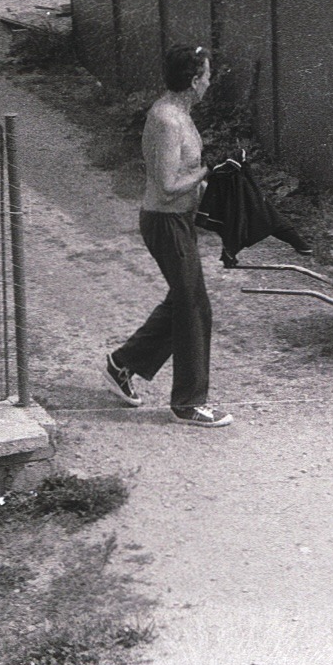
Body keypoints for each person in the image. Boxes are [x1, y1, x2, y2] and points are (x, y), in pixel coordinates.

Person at [103, 44, 233, 427]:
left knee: (182, 301)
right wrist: (208, 172)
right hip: (164, 223)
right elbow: (166, 185)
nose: (210, 81)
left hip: (179, 221)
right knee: (195, 306)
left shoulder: (180, 113)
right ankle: (189, 403)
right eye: (207, 75)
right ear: (194, 82)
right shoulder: (167, 120)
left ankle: (122, 364)